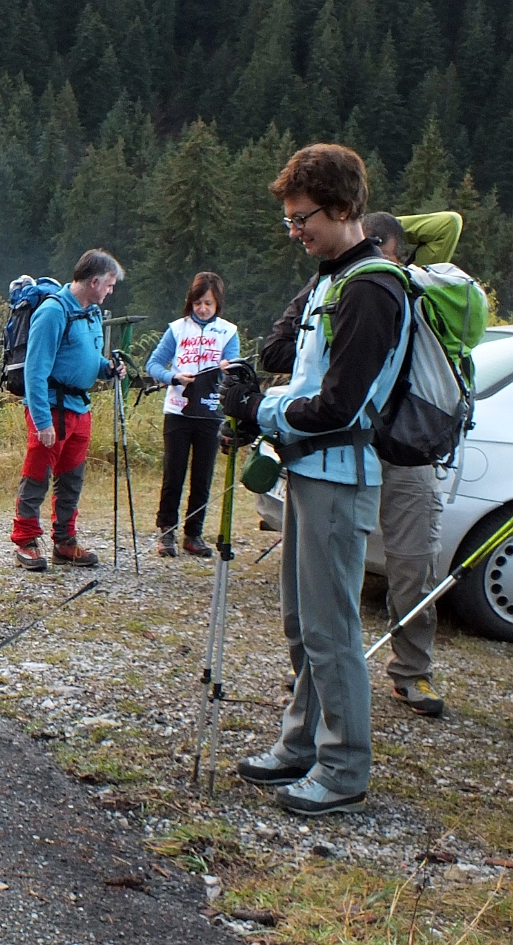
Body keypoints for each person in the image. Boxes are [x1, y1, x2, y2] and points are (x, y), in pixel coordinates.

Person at [219, 144, 410, 815]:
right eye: (289, 220)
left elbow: (339, 405)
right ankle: (301, 744)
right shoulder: (333, 278)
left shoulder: (372, 290)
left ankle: (344, 768)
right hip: (306, 471)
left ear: (343, 208)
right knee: (304, 625)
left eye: (303, 219)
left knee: (331, 630)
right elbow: (287, 360)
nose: (295, 231)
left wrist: (259, 407)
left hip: (338, 476)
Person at [357, 210, 464, 717]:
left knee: (414, 565)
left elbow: (448, 222)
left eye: (376, 246)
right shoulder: (347, 284)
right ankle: (316, 670)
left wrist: (376, 225)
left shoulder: (422, 284)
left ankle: (411, 674)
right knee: (336, 564)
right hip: (352, 445)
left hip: (412, 449)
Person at [11, 250, 126, 572]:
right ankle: (26, 540)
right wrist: (42, 421)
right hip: (51, 408)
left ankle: (65, 541)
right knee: (37, 477)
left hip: (79, 408)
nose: (111, 291)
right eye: (110, 285)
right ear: (94, 281)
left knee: (71, 480)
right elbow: (35, 369)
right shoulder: (52, 312)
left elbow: (86, 357)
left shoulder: (90, 313)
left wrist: (107, 369)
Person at [145, 272, 239, 557]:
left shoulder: (228, 331)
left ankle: (193, 533)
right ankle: (167, 532)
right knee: (173, 473)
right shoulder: (176, 329)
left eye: (208, 303)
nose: (203, 309)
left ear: (217, 303)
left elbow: (235, 369)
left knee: (203, 475)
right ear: (191, 302)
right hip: (178, 411)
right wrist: (173, 377)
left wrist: (228, 370)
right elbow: (154, 364)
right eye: (198, 303)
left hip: (211, 412)